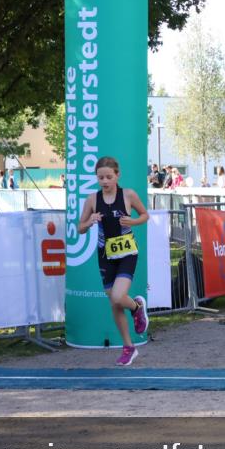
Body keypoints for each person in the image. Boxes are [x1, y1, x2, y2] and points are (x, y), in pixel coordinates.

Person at [76, 156, 150, 367]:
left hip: (127, 252)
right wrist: (89, 222)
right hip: (105, 255)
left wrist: (133, 221)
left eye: (109, 177)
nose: (105, 181)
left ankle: (136, 307)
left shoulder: (128, 195)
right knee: (114, 302)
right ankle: (129, 347)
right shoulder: (92, 199)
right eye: (101, 178)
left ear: (117, 175)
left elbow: (145, 215)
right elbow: (80, 228)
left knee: (118, 296)